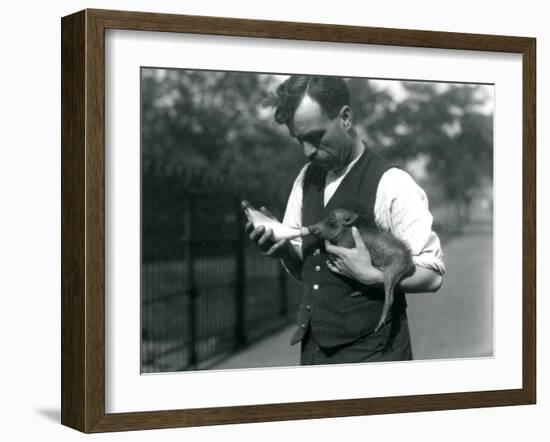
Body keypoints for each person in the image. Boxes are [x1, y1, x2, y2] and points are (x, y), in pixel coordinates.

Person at [246, 75, 445, 365]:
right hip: (314, 353)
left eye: (315, 137)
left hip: (375, 356)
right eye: (299, 140)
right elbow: (308, 267)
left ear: (346, 118)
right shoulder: (306, 180)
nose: (307, 151)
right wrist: (283, 249)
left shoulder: (392, 183)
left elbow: (433, 274)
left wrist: (374, 277)